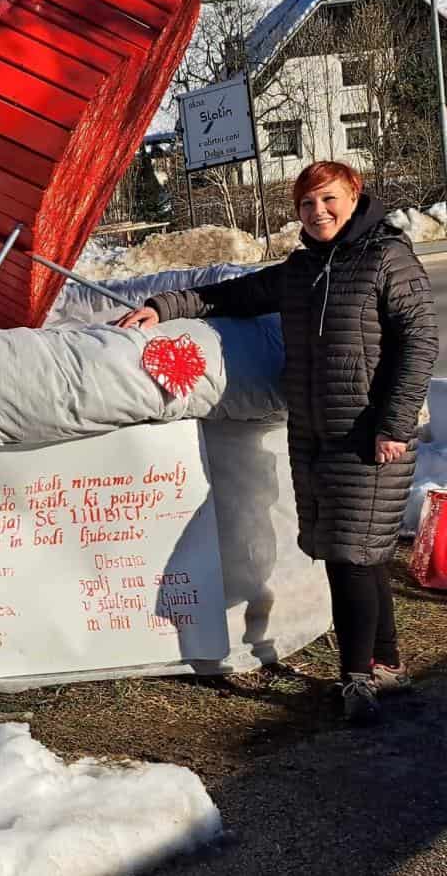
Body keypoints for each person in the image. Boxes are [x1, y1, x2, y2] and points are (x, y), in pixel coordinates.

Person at [118, 161, 437, 723]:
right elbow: (235, 295)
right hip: (316, 433)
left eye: (329, 200)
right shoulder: (301, 270)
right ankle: (385, 663)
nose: (319, 213)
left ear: (354, 196)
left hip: (369, 434)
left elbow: (419, 342)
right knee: (362, 552)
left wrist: (394, 423)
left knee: (350, 556)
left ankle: (357, 680)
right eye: (308, 205)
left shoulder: (387, 257)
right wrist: (165, 307)